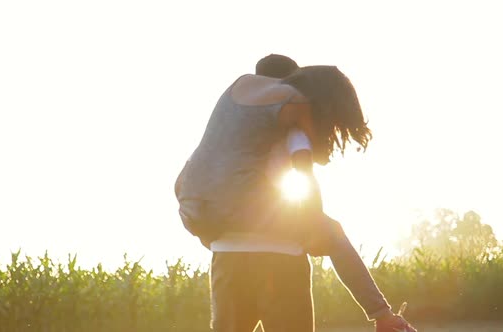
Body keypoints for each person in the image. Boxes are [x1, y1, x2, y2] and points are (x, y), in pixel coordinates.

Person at [175, 56, 416, 332]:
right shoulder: (293, 127)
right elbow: (306, 174)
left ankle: (381, 314)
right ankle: (382, 316)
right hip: (281, 260)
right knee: (334, 232)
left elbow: (182, 182)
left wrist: (212, 232)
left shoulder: (229, 120)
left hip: (225, 257)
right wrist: (312, 220)